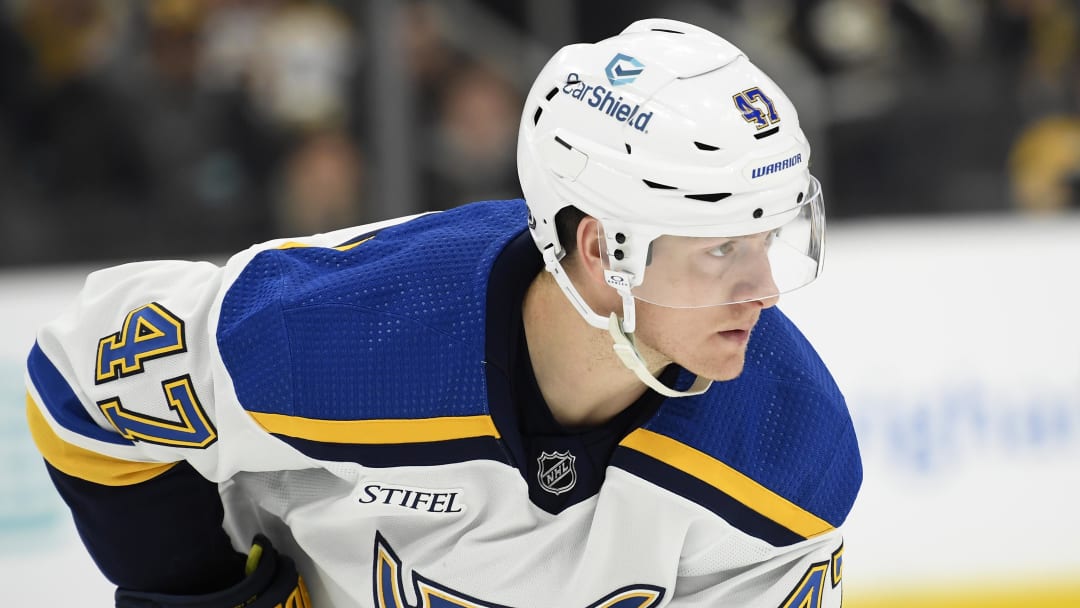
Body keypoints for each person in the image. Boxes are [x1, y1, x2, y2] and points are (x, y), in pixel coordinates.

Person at [25, 18, 861, 607]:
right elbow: (80, 382)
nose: (766, 290)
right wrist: (208, 597)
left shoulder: (787, 451)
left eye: (769, 239)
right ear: (605, 248)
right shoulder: (345, 332)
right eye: (720, 249)